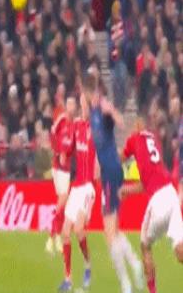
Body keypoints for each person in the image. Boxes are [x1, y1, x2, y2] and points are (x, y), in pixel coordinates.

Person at [82, 74, 143, 293]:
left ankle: (126, 283)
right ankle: (134, 265)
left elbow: (120, 121)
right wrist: (97, 163)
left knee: (109, 234)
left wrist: (113, 112)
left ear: (87, 92)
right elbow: (102, 142)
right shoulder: (93, 112)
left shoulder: (102, 108)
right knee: (113, 230)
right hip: (108, 170)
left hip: (111, 171)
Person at [119, 118, 183, 293]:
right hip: (171, 194)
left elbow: (119, 159)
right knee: (180, 250)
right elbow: (146, 183)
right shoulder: (153, 139)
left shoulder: (134, 139)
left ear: (136, 128)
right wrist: (127, 190)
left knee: (145, 245)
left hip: (158, 200)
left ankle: (152, 291)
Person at [58, 95, 97, 291]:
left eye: (85, 104)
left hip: (88, 187)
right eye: (81, 104)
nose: (83, 108)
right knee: (65, 233)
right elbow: (67, 148)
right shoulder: (76, 126)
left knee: (79, 229)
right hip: (76, 186)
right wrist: (64, 154)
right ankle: (68, 278)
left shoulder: (96, 129)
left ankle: (88, 265)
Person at [46, 95, 75, 255]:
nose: (70, 107)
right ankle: (52, 234)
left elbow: (73, 146)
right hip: (58, 167)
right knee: (63, 200)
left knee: (62, 203)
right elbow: (52, 134)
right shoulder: (62, 120)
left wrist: (67, 153)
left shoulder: (74, 125)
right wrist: (57, 152)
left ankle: (55, 237)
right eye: (68, 104)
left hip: (66, 168)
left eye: (72, 104)